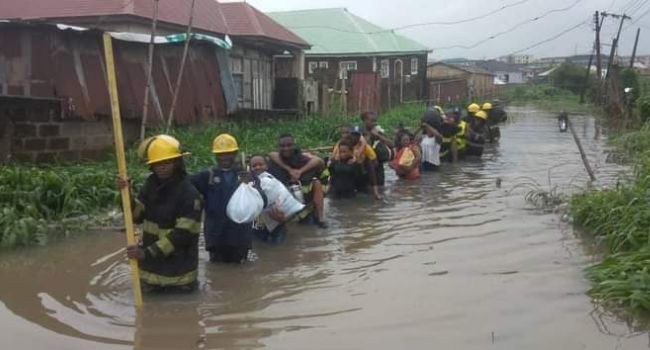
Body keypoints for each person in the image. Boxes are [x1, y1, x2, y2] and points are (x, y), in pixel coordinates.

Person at [118, 134, 203, 293]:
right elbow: (136, 216)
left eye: (167, 162)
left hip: (179, 277)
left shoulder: (190, 194)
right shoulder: (150, 185)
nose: (162, 167)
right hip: (150, 273)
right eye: (157, 164)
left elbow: (181, 235)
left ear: (177, 163)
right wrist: (126, 195)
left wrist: (146, 253)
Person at [190, 133, 258, 264]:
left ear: (235, 153)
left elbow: (262, 200)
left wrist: (251, 185)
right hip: (216, 236)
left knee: (241, 273)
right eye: (221, 154)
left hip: (240, 236)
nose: (225, 157)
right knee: (217, 271)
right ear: (216, 155)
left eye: (229, 153)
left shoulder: (246, 175)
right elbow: (184, 186)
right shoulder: (206, 176)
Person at [268, 133, 329, 228]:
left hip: (304, 198)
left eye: (289, 145)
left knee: (317, 183)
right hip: (283, 199)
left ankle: (320, 218)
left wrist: (300, 171)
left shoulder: (302, 158)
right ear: (278, 147)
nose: (286, 148)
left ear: (294, 145)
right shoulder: (275, 160)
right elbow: (271, 154)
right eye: (282, 146)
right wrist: (289, 169)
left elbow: (319, 161)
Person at [331, 125, 382, 199]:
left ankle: (375, 191)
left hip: (360, 170)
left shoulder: (365, 147)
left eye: (357, 135)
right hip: (344, 168)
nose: (355, 137)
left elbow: (375, 162)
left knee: (369, 163)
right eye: (353, 135)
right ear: (350, 135)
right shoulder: (343, 143)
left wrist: (359, 160)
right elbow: (334, 157)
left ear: (360, 136)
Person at [249, 154, 288, 244]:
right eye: (254, 166)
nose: (257, 167)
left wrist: (283, 220)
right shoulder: (248, 184)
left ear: (266, 166)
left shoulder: (274, 184)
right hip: (257, 228)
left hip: (276, 227)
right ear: (250, 168)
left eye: (260, 164)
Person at [360, 112, 394, 188]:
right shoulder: (359, 132)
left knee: (380, 188)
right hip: (365, 167)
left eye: (375, 121)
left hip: (378, 167)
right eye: (372, 121)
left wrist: (378, 136)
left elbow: (392, 144)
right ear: (365, 120)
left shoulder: (378, 131)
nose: (374, 123)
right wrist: (369, 135)